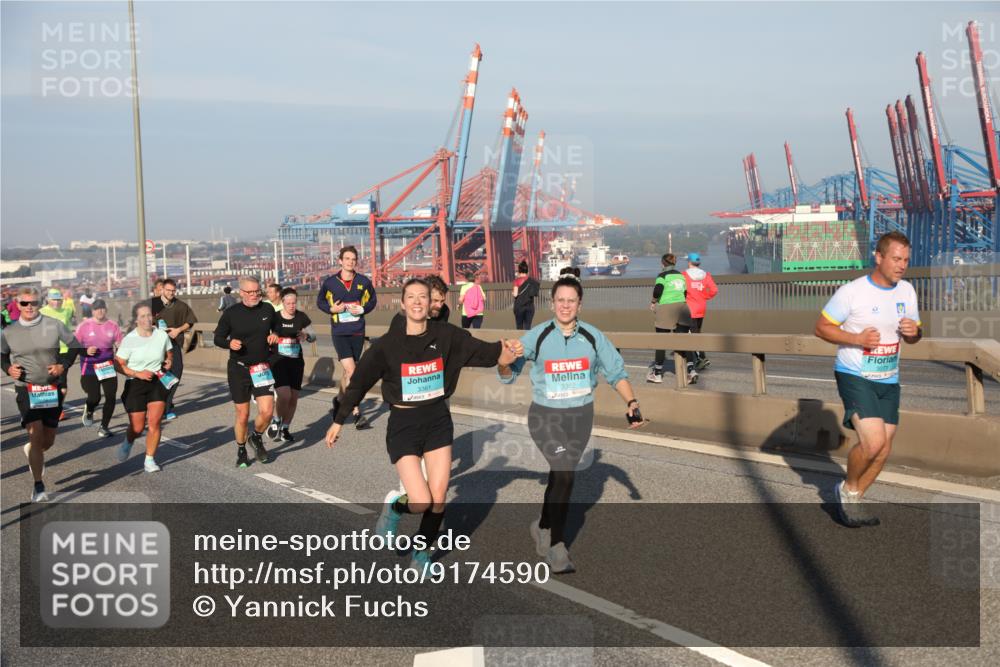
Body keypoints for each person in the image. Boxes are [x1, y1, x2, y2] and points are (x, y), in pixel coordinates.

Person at [325, 278, 521, 571]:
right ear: (403, 304)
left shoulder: (448, 335)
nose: (417, 302)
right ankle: (394, 508)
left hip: (437, 421)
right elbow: (359, 383)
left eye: (423, 297)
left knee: (438, 499)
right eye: (411, 297)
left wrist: (508, 351)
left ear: (430, 304)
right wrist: (339, 420)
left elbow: (487, 352)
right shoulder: (387, 345)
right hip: (404, 425)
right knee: (420, 501)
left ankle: (422, 554)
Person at [498, 274, 644, 573]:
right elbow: (508, 374)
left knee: (560, 476)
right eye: (560, 300)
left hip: (580, 417)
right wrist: (503, 360)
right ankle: (557, 546)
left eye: (571, 301)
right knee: (565, 474)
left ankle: (543, 526)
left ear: (580, 304)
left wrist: (631, 403)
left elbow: (616, 373)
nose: (565, 306)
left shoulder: (593, 336)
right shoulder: (537, 336)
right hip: (545, 417)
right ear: (552, 304)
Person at [814, 231, 921, 528]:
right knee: (873, 443)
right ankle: (846, 488)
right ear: (879, 257)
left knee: (884, 448)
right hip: (855, 374)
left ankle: (853, 497)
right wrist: (857, 339)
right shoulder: (853, 292)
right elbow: (821, 328)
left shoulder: (907, 291)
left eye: (906, 260)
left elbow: (914, 334)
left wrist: (915, 333)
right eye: (896, 259)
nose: (902, 265)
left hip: (889, 377)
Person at [1, 286, 78, 501]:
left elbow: (75, 345)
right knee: (35, 434)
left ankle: (33, 450)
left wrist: (63, 365)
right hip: (26, 388)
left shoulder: (53, 325)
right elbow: (2, 355)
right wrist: (8, 368)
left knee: (48, 440)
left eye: (33, 302)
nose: (29, 307)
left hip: (51, 387)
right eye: (24, 303)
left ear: (39, 303)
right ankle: (38, 485)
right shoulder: (10, 331)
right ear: (18, 305)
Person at [214, 275, 275, 468]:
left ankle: (255, 437)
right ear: (241, 293)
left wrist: (275, 334)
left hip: (261, 368)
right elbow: (218, 338)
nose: (255, 295)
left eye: (257, 291)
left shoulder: (267, 309)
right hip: (238, 369)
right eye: (250, 292)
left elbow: (277, 328)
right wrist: (229, 343)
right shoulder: (231, 313)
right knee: (243, 415)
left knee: (267, 412)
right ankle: (241, 450)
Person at [317, 246, 377, 429]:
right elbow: (320, 301)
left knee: (348, 374)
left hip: (357, 331)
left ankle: (339, 400)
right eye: (347, 259)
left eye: (353, 259)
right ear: (340, 261)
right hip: (340, 333)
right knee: (353, 372)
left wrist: (363, 309)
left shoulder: (363, 282)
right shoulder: (330, 283)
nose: (351, 262)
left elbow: (373, 300)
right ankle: (357, 413)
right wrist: (331, 309)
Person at [115, 303, 173, 472]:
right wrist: (137, 373)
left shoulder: (161, 335)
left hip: (157, 381)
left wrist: (169, 361)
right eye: (142, 316)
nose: (147, 319)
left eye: (149, 315)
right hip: (136, 383)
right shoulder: (130, 339)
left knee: (155, 423)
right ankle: (128, 441)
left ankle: (149, 460)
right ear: (136, 320)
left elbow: (169, 353)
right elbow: (118, 364)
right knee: (138, 427)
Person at [266, 287, 315, 443]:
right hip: (278, 361)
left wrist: (306, 335)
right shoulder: (275, 318)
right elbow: (263, 334)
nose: (292, 306)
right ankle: (276, 420)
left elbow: (313, 335)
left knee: (293, 398)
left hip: (296, 361)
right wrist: (272, 336)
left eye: (294, 303)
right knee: (284, 395)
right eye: (288, 303)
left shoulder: (301, 317)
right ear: (283, 302)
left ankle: (285, 428)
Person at [75, 299, 123, 437]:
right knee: (94, 397)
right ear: (92, 311)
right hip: (89, 367)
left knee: (111, 397)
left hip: (107, 366)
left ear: (106, 310)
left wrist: (121, 351)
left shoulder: (113, 325)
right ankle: (89, 409)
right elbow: (74, 346)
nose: (100, 311)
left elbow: (120, 343)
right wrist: (85, 351)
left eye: (102, 308)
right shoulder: (84, 326)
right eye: (97, 309)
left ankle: (104, 427)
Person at [648, 254, 698, 385]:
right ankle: (691, 370)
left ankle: (657, 373)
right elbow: (685, 292)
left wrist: (653, 302)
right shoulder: (681, 276)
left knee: (661, 341)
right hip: (683, 308)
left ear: (663, 263)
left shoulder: (662, 276)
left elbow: (658, 290)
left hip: (666, 308)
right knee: (684, 340)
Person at [155, 278, 198, 421]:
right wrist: (155, 329)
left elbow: (190, 321)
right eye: (168, 290)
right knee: (159, 375)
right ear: (162, 290)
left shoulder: (180, 305)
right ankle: (160, 407)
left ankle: (167, 406)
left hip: (173, 344)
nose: (171, 293)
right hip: (156, 345)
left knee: (176, 373)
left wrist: (178, 330)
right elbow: (142, 322)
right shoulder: (153, 304)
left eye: (173, 291)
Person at [40, 287, 76, 419]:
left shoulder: (67, 311)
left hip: (64, 350)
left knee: (62, 382)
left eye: (59, 300)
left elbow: (69, 329)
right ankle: (46, 407)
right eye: (54, 300)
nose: (56, 302)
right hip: (47, 350)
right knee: (48, 380)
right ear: (48, 300)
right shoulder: (41, 312)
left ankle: (59, 409)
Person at [683, 252, 718, 371]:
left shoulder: (684, 275)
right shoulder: (706, 275)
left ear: (689, 262)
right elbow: (714, 290)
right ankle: (700, 357)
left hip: (689, 309)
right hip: (701, 308)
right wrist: (705, 296)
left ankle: (701, 358)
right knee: (697, 332)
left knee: (692, 335)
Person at [512, 261, 540, 330]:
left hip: (519, 306)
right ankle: (527, 337)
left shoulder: (517, 281)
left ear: (519, 270)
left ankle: (520, 337)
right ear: (527, 270)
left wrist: (512, 293)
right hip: (529, 306)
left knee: (519, 327)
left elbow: (515, 295)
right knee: (527, 326)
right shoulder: (532, 281)